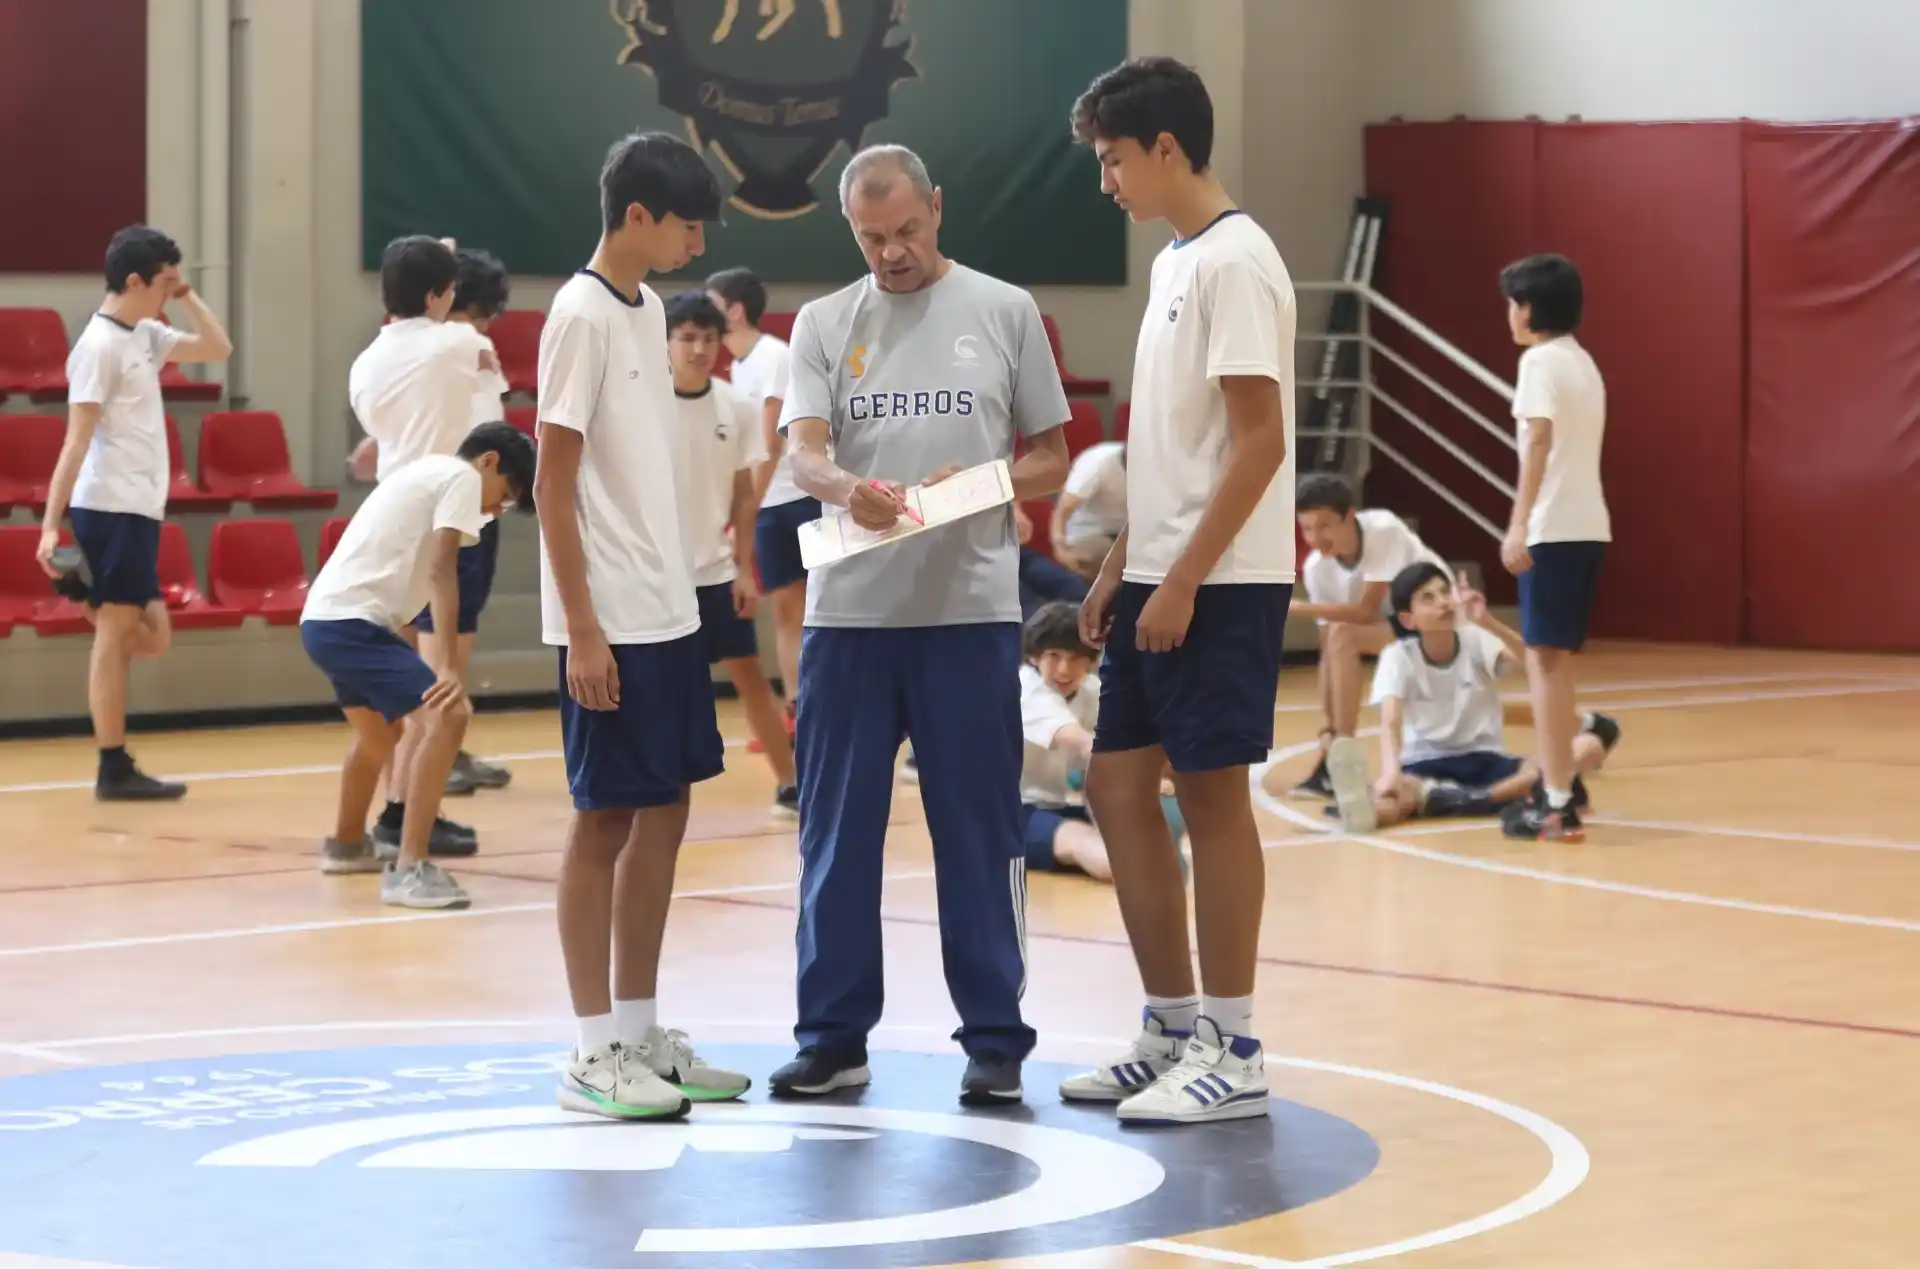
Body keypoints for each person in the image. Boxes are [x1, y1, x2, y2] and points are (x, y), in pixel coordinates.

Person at [771, 143, 1071, 1106]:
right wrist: (847, 489)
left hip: (970, 615)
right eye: (871, 237)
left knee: (980, 831)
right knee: (835, 833)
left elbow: (1053, 458)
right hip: (851, 618)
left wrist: (979, 484)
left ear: (937, 208)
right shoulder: (823, 323)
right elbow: (804, 456)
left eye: (906, 230)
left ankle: (994, 1038)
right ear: (849, 230)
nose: (892, 252)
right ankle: (832, 1037)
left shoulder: (1005, 309)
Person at [1063, 57, 1295, 1126]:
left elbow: (1258, 444)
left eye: (1113, 160)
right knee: (1116, 792)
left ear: (1165, 148)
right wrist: (1121, 564)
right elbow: (1168, 443)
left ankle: (1236, 1047)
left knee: (1212, 799)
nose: (1106, 182)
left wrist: (1185, 579)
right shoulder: (1173, 263)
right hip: (1160, 573)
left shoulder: (1236, 264)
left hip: (1221, 583)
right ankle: (1169, 1025)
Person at [534, 131, 747, 1121]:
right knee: (603, 818)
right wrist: (582, 628)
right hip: (608, 613)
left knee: (667, 808)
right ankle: (589, 1052)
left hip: (671, 604)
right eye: (687, 220)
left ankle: (639, 1029)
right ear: (636, 216)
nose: (698, 239)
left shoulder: (652, 308)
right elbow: (552, 478)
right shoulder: (577, 315)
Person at [300, 424, 535, 908]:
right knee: (450, 714)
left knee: (379, 736)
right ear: (488, 461)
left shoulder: (429, 473)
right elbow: (441, 569)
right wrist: (447, 667)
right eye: (504, 496)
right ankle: (410, 867)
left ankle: (346, 845)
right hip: (351, 623)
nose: (495, 510)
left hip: (326, 621)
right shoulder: (460, 478)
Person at [36, 225, 233, 801]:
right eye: (161, 285)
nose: (165, 296)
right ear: (132, 281)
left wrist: (187, 294)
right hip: (109, 508)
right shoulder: (97, 348)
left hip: (141, 510)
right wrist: (51, 523)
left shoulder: (144, 333)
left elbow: (218, 349)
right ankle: (112, 765)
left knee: (153, 637)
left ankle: (79, 592)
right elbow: (75, 442)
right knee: (120, 635)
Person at [346, 235, 497, 859]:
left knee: (405, 686)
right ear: (441, 294)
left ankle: (399, 812)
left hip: (391, 523)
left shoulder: (365, 363)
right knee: (440, 684)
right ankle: (410, 818)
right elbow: (490, 396)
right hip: (450, 518)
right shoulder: (464, 344)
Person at [1329, 561, 1620, 833]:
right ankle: (1364, 812)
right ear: (1408, 619)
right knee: (1398, 795)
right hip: (1425, 763)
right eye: (1428, 598)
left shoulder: (1476, 639)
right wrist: (1391, 771)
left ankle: (1465, 800)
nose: (1442, 601)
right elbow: (1390, 721)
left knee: (1569, 756)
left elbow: (1535, 665)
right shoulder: (1397, 657)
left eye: (1445, 592)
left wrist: (1488, 622)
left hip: (1487, 761)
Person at [665, 289, 800, 816]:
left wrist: (744, 568)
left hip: (716, 573)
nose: (699, 348)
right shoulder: (641, 405)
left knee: (749, 674)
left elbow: (746, 495)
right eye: (687, 338)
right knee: (660, 686)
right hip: (656, 579)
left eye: (708, 338)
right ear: (667, 342)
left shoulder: (737, 407)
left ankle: (790, 782)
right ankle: (654, 785)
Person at [1497, 254, 1610, 842]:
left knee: (1543, 667)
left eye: (1514, 303)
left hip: (1554, 529)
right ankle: (1566, 784)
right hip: (1589, 526)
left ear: (1532, 307)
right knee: (1553, 665)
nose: (1510, 315)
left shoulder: (1539, 360)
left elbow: (1538, 442)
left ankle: (1557, 802)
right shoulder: (1582, 362)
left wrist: (1518, 525)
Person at [1289, 472, 1447, 800]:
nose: (1315, 538)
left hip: (1442, 618)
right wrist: (1326, 727)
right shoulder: (1317, 568)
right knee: (1338, 636)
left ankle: (1338, 762)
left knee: (1344, 631)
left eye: (1324, 526)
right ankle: (1336, 754)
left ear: (1350, 516)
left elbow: (1364, 612)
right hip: (1401, 628)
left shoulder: (1383, 530)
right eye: (1306, 528)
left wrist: (1297, 608)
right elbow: (1327, 654)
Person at [708, 266, 810, 744]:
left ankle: (816, 706)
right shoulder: (735, 367)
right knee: (784, 613)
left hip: (800, 499)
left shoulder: (774, 356)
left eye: (711, 302)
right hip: (768, 507)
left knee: (811, 611)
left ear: (734, 308)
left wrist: (741, 513)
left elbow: (772, 444)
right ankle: (796, 709)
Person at [1018, 602, 1189, 883]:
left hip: (1054, 804)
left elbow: (1134, 737)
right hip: (1009, 816)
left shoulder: (1091, 690)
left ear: (1090, 660)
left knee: (1107, 784)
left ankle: (1149, 852)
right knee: (1095, 847)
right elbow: (1081, 741)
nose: (1064, 669)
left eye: (1075, 658)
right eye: (1054, 656)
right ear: (1035, 657)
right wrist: (1146, 778)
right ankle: (1148, 866)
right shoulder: (1026, 690)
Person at [434, 247, 516, 795]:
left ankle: (446, 747)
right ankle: (440, 749)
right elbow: (492, 427)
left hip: (447, 504)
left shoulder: (409, 349)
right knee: (449, 635)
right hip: (462, 503)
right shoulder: (470, 345)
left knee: (446, 632)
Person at [1050, 440, 1127, 579]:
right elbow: (1063, 511)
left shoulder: (1161, 466)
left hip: (1129, 535)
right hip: (1089, 533)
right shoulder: (1098, 462)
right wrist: (1060, 546)